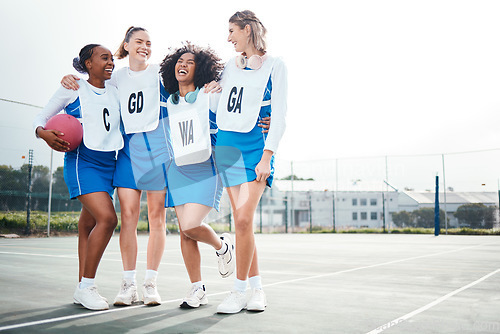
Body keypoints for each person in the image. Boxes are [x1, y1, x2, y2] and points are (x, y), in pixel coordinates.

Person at [60, 27, 223, 307]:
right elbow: (92, 84)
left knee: (157, 218)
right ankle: (128, 284)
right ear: (127, 45)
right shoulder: (117, 77)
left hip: (159, 152)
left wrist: (211, 88)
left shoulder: (161, 75)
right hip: (127, 154)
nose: (145, 46)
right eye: (139, 42)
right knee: (129, 219)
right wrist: (72, 77)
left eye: (149, 43)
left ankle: (150, 284)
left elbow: (190, 85)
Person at [34, 44, 123, 311]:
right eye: (103, 58)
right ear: (87, 63)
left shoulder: (116, 91)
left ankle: (80, 287)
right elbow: (42, 115)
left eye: (111, 58)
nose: (110, 62)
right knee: (108, 219)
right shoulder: (73, 88)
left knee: (88, 225)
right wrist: (42, 132)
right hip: (83, 162)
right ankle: (87, 286)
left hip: (110, 162)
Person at [214, 10, 288, 314]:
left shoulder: (275, 65)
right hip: (228, 145)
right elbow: (210, 99)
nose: (228, 37)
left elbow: (280, 116)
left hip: (257, 147)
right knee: (242, 223)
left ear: (247, 30)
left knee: (243, 220)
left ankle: (239, 290)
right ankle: (256, 289)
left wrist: (267, 157)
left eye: (232, 31)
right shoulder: (226, 67)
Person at [159, 43, 236, 309]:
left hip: (206, 167)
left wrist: (265, 119)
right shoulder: (168, 100)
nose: (183, 64)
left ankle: (223, 246)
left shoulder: (209, 95)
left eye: (190, 62)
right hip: (178, 169)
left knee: (191, 225)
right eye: (180, 61)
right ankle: (197, 289)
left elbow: (234, 108)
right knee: (185, 233)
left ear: (199, 69)